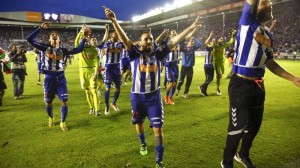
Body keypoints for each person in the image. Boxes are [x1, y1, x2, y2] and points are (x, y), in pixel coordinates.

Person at [104, 6, 202, 168]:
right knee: (139, 124)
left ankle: (159, 162)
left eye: (151, 39)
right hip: (137, 98)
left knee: (158, 130)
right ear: (140, 43)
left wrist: (190, 28)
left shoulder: (159, 53)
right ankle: (142, 143)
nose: (149, 41)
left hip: (154, 98)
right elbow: (124, 39)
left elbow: (175, 40)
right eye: (146, 39)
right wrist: (114, 21)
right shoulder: (134, 53)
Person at [221, 0, 300, 168]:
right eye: (264, 2)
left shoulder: (268, 35)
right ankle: (226, 162)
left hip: (257, 86)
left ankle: (242, 155)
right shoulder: (247, 22)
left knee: (254, 126)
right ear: (254, 8)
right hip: (240, 84)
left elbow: (269, 63)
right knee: (237, 127)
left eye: (270, 2)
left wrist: (293, 78)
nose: (269, 4)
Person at [26, 22, 87, 131]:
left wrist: (84, 38)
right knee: (48, 102)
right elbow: (29, 39)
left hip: (61, 79)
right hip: (49, 79)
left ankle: (63, 122)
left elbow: (79, 50)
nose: (54, 36)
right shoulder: (44, 48)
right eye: (52, 35)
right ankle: (51, 117)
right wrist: (40, 28)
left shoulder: (64, 50)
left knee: (64, 101)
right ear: (50, 40)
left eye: (56, 36)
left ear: (59, 40)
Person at [74, 24, 101, 116]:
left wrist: (96, 72)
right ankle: (91, 107)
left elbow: (97, 61)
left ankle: (97, 110)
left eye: (88, 38)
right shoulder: (80, 49)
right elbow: (76, 42)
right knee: (87, 91)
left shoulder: (94, 49)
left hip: (92, 72)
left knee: (94, 91)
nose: (87, 40)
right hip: (82, 72)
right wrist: (81, 32)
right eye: (86, 38)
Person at [101, 29, 125, 115]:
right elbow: (104, 51)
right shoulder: (107, 43)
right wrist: (116, 50)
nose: (117, 35)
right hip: (109, 68)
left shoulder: (120, 43)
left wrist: (113, 50)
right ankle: (107, 106)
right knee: (108, 88)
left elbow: (125, 47)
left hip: (117, 67)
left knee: (118, 88)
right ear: (111, 35)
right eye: (116, 34)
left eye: (118, 34)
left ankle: (113, 103)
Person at [175, 28, 202, 99]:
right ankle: (178, 88)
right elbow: (180, 44)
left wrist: (194, 38)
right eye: (191, 41)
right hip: (184, 67)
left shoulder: (193, 48)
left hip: (190, 67)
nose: (192, 42)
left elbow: (200, 44)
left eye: (193, 41)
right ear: (188, 42)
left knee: (189, 81)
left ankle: (185, 93)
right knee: (181, 80)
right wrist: (186, 39)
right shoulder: (184, 48)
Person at [157, 29, 180, 105]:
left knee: (175, 83)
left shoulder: (178, 42)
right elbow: (161, 46)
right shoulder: (168, 43)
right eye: (172, 33)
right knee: (171, 83)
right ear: (170, 35)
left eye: (175, 33)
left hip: (175, 65)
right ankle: (166, 97)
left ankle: (170, 97)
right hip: (169, 65)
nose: (173, 34)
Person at [212, 29, 236, 96]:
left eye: (222, 39)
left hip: (222, 63)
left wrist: (233, 35)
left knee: (222, 73)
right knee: (219, 75)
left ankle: (219, 78)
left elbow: (231, 42)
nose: (222, 40)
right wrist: (212, 51)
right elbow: (211, 50)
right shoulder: (215, 47)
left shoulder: (223, 45)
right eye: (220, 39)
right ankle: (218, 89)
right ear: (217, 40)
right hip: (217, 63)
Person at [198, 31, 215, 96]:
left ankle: (204, 90)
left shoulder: (212, 48)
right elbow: (206, 42)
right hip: (208, 65)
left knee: (208, 79)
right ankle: (201, 87)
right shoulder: (208, 48)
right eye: (213, 41)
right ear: (210, 42)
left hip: (211, 65)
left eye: (214, 41)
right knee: (210, 78)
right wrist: (210, 36)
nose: (214, 42)